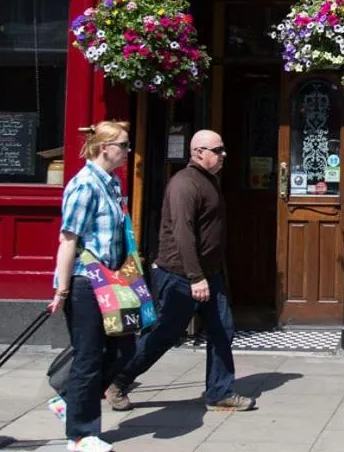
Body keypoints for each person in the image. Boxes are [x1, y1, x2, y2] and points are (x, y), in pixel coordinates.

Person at [105, 129, 254, 413]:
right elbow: (183, 233)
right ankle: (117, 381)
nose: (224, 155)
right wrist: (196, 277)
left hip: (209, 274)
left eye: (222, 149)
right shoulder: (184, 184)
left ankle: (219, 391)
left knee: (223, 330)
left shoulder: (208, 180)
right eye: (218, 150)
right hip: (180, 276)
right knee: (163, 335)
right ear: (198, 153)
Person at [47, 121, 137, 452]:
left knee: (124, 349)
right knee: (89, 355)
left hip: (112, 280)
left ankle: (70, 401)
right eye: (124, 146)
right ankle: (81, 434)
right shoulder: (84, 186)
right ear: (104, 148)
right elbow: (68, 240)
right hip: (86, 281)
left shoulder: (112, 182)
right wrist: (62, 289)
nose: (128, 152)